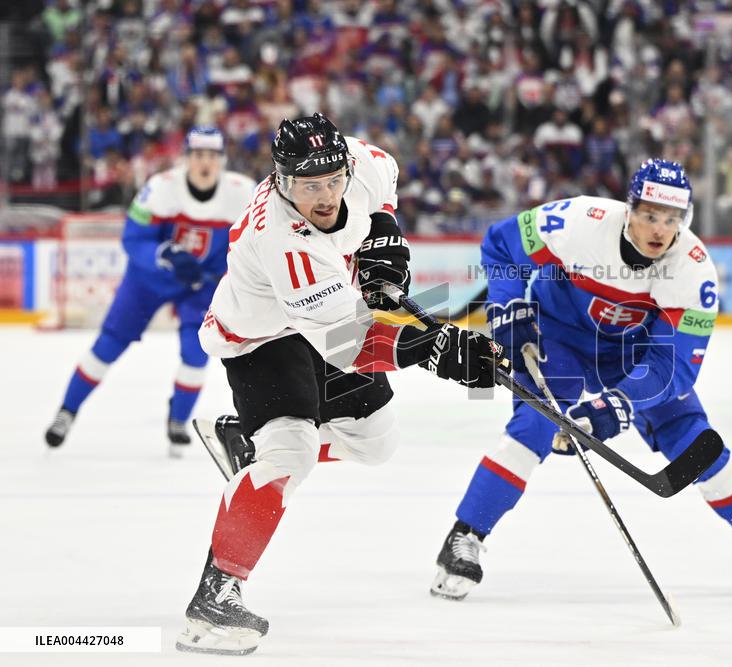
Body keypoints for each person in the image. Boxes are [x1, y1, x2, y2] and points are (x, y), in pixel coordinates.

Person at [175, 113, 502, 656]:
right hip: (262, 335)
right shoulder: (284, 241)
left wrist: (384, 237)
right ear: (282, 182)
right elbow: (350, 344)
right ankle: (214, 598)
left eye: (332, 182)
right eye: (308, 187)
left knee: (377, 441)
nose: (325, 197)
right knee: (290, 453)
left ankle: (240, 442)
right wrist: (438, 350)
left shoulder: (360, 165)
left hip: (328, 315)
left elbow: (386, 178)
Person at [430, 159, 732, 601]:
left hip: (634, 355)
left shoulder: (694, 271)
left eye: (671, 219)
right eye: (649, 215)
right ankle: (464, 536)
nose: (659, 229)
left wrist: (618, 406)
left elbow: (673, 369)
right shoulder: (577, 222)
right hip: (560, 338)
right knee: (534, 426)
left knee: (690, 435)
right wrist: (509, 305)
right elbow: (501, 246)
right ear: (628, 209)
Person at [44, 127, 255, 456]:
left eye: (212, 156)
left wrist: (220, 273)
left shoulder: (242, 193)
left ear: (222, 161)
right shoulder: (159, 189)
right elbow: (133, 238)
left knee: (197, 350)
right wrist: (164, 255)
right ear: (186, 158)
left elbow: (253, 246)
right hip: (148, 281)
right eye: (198, 155)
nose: (205, 163)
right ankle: (66, 412)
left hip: (199, 285)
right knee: (108, 345)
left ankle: (178, 420)